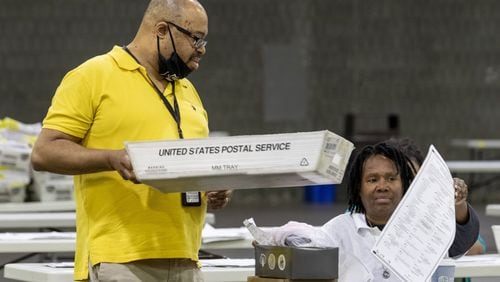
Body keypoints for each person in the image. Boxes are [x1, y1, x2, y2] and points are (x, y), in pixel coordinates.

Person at [31, 0, 232, 281]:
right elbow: (44, 153)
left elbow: (192, 167)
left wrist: (211, 189)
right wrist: (112, 159)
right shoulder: (93, 76)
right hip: (120, 260)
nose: (202, 49)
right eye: (195, 38)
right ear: (162, 30)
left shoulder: (187, 91)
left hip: (186, 258)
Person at [271, 141, 479, 281]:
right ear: (358, 188)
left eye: (391, 178)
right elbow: (307, 245)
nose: (382, 186)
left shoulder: (423, 225)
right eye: (372, 180)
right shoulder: (340, 229)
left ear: (405, 185)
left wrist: (458, 205)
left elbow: (461, 240)